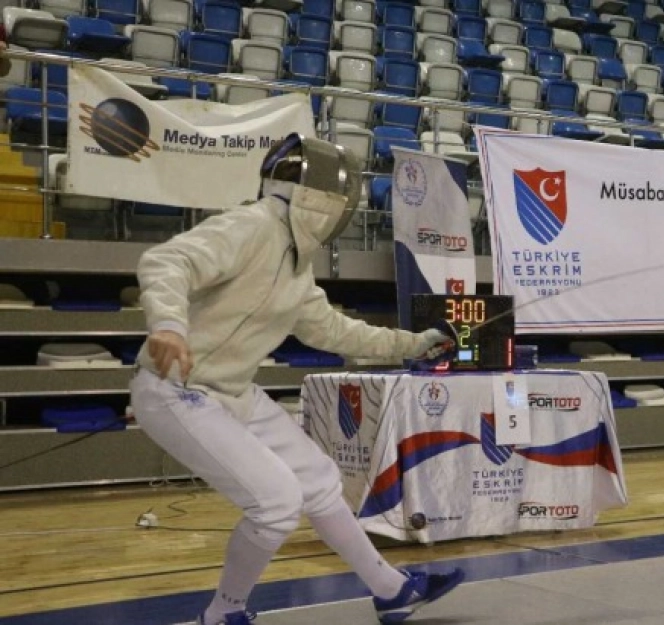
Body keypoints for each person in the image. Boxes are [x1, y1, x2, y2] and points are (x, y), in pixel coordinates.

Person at [129, 133, 465, 625]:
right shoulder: (253, 225)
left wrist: (411, 344)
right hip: (175, 390)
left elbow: (333, 330)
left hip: (232, 393)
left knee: (320, 482)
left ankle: (391, 590)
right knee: (276, 502)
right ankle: (223, 614)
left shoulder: (295, 264)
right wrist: (168, 326)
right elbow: (167, 261)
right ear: (318, 199)